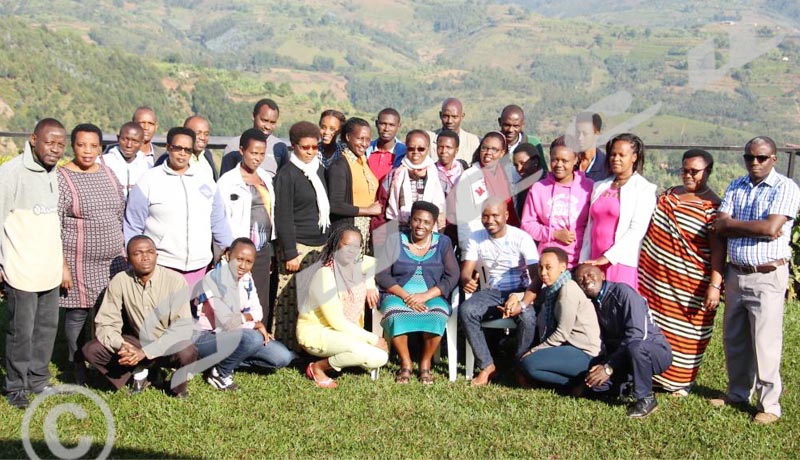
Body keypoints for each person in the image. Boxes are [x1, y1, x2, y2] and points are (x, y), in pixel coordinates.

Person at [708, 136, 800, 424]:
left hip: (767, 274)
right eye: (750, 157)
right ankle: (737, 393)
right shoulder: (737, 185)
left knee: (765, 341)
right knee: (734, 338)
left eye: (761, 157)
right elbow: (719, 225)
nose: (755, 162)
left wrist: (733, 225)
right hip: (737, 273)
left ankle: (770, 405)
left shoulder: (786, 187)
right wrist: (747, 228)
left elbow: (771, 228)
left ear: (773, 158)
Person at [638, 149, 725, 396]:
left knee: (686, 331)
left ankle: (679, 381)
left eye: (694, 172)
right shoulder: (669, 195)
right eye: (684, 170)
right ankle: (653, 374)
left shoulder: (713, 206)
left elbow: (719, 250)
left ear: (707, 172)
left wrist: (715, 285)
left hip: (690, 283)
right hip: (655, 280)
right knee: (655, 326)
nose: (688, 175)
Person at [0, 119, 66, 408]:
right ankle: (15, 387)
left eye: (60, 144)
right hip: (21, 268)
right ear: (33, 139)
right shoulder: (11, 173)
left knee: (46, 329)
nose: (55, 149)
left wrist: (61, 264)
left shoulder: (55, 173)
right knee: (21, 332)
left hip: (49, 269)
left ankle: (38, 380)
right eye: (50, 142)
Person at [82, 236, 197, 397]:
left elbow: (181, 329)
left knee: (186, 350)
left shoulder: (175, 281)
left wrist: (145, 353)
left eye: (150, 252)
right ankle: (138, 372)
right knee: (91, 350)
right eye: (138, 253)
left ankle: (177, 388)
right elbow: (106, 323)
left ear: (156, 255)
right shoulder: (120, 281)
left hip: (166, 344)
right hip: (135, 341)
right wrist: (121, 346)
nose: (145, 257)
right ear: (128, 259)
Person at [58, 123, 127, 385]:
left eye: (93, 146)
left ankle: (101, 360)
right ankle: (75, 364)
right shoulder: (63, 177)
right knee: (78, 314)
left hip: (112, 260)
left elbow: (119, 210)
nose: (87, 151)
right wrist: (62, 264)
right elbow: (55, 222)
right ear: (72, 146)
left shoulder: (108, 173)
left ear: (101, 148)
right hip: (78, 261)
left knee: (107, 313)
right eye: (81, 145)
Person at [124, 127, 233, 286]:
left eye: (188, 150)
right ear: (168, 147)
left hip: (200, 267)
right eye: (177, 148)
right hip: (162, 266)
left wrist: (229, 248)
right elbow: (133, 225)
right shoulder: (148, 180)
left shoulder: (206, 180)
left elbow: (218, 221)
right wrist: (135, 261)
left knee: (194, 311)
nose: (182, 153)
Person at [193, 238, 295, 390]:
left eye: (249, 262)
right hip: (206, 337)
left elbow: (257, 311)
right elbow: (227, 322)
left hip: (235, 334)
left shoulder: (246, 279)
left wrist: (251, 321)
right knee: (253, 338)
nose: (243, 266)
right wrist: (254, 324)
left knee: (282, 357)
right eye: (239, 259)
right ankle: (220, 373)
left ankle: (220, 361)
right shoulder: (214, 279)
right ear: (228, 255)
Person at [459, 198, 539, 386]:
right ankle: (487, 366)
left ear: (506, 215)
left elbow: (536, 278)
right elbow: (466, 272)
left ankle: (521, 367)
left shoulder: (521, 238)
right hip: (492, 292)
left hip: (519, 291)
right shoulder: (475, 237)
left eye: (495, 215)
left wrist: (522, 302)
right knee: (467, 310)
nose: (490, 220)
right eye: (485, 216)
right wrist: (467, 281)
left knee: (527, 318)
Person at [376, 202, 459, 384]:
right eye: (416, 220)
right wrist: (406, 296)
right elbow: (382, 275)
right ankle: (406, 364)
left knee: (437, 315)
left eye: (426, 222)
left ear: (434, 224)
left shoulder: (443, 243)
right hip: (397, 294)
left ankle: (425, 364)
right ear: (410, 220)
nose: (421, 226)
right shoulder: (395, 240)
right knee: (395, 314)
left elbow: (452, 276)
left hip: (432, 296)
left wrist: (425, 296)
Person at [297, 225, 389, 388]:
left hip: (346, 333)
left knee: (381, 357)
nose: (351, 251)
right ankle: (317, 368)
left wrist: (369, 284)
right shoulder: (325, 275)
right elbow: (337, 321)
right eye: (347, 245)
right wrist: (373, 338)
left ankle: (345, 356)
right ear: (336, 245)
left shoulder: (357, 267)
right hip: (318, 332)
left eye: (356, 246)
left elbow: (372, 262)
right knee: (361, 351)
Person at [576, 264, 672, 418]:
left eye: (589, 274)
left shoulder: (623, 293)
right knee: (595, 386)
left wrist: (609, 367)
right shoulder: (594, 303)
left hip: (653, 351)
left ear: (602, 275)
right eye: (580, 279)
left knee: (636, 347)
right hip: (624, 357)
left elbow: (637, 335)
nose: (586, 280)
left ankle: (646, 398)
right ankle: (628, 386)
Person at [273, 121, 331, 351]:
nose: (310, 152)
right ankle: (284, 347)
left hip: (319, 242)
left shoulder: (317, 169)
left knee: (311, 298)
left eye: (314, 147)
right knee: (288, 300)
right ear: (293, 146)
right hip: (297, 244)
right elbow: (283, 214)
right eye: (305, 147)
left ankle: (308, 344)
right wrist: (290, 252)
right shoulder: (288, 174)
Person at [580, 133, 656, 290]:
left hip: (620, 261)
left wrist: (608, 257)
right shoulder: (600, 186)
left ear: (634, 157)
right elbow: (590, 226)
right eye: (613, 154)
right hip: (594, 261)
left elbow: (637, 230)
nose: (616, 159)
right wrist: (585, 259)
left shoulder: (644, 189)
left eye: (622, 155)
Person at [518, 248, 600, 391]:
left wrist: (533, 351)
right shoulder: (553, 289)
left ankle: (581, 385)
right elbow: (534, 297)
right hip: (567, 347)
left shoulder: (567, 291)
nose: (543, 273)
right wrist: (515, 297)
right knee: (530, 365)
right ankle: (576, 383)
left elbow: (562, 333)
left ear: (562, 267)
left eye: (548, 267)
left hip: (585, 353)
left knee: (529, 363)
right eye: (540, 267)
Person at [217, 128, 276, 323]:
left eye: (261, 154)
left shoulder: (265, 178)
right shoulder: (228, 182)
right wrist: (226, 250)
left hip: (262, 250)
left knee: (261, 302)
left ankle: (261, 344)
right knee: (238, 299)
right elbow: (221, 217)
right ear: (242, 151)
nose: (258, 158)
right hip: (239, 252)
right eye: (253, 153)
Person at [521, 136, 593, 269]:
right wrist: (553, 234)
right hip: (548, 265)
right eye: (555, 160)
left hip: (581, 261)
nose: (559, 165)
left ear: (575, 159)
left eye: (564, 160)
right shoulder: (538, 188)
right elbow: (527, 225)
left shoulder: (588, 187)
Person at [327, 117, 382, 251]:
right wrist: (368, 210)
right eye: (360, 138)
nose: (364, 144)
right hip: (346, 233)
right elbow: (335, 205)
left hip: (364, 230)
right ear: (348, 137)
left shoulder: (363, 161)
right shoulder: (340, 165)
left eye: (368, 139)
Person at [381, 130, 446, 231]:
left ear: (428, 149)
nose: (416, 152)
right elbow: (383, 203)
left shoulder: (439, 176)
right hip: (399, 231)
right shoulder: (395, 175)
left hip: (431, 233)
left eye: (421, 149)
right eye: (411, 148)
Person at [220, 98, 290, 178]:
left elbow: (284, 181)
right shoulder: (234, 146)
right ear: (253, 116)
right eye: (264, 120)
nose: (268, 126)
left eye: (272, 122)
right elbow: (225, 179)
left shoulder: (279, 147)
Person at [156, 115, 218, 183]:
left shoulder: (207, 155)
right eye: (198, 133)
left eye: (206, 134)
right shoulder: (169, 159)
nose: (202, 138)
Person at [100, 122, 149, 199]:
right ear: (118, 138)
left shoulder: (147, 166)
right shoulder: (103, 163)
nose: (129, 145)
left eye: (135, 141)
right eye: (125, 139)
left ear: (142, 143)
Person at [435, 129, 467, 245]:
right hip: (441, 227)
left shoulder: (465, 171)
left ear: (456, 150)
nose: (443, 151)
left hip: (463, 226)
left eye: (448, 147)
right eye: (440, 147)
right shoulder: (431, 173)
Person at [428, 97, 480, 164]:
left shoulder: (474, 142)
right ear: (440, 115)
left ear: (462, 116)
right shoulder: (428, 140)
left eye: (454, 117)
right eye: (446, 116)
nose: (449, 121)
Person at [497, 104, 546, 169]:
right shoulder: (490, 143)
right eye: (507, 125)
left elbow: (543, 171)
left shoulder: (532, 143)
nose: (510, 130)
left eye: (516, 126)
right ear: (500, 122)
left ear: (522, 124)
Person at [366, 108, 406, 182]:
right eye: (383, 124)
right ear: (376, 123)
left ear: (399, 126)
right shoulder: (365, 150)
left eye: (391, 125)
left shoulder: (405, 153)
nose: (386, 129)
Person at [510, 142, 546, 218]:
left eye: (523, 163)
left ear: (535, 161)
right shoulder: (519, 186)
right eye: (516, 165)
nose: (519, 169)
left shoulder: (548, 182)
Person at [575, 112, 609, 182]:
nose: (580, 138)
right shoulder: (569, 162)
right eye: (578, 133)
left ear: (596, 134)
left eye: (585, 134)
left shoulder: (607, 167)